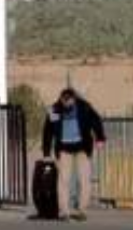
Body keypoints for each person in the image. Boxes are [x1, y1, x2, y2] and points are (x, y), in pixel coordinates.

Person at [41, 88, 105, 222]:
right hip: (64, 149)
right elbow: (48, 130)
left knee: (84, 179)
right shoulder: (54, 110)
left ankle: (82, 210)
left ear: (74, 99)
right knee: (63, 180)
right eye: (63, 101)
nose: (66, 104)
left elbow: (96, 120)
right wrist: (46, 152)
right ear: (60, 99)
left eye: (68, 101)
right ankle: (64, 212)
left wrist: (100, 138)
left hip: (82, 148)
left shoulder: (84, 107)